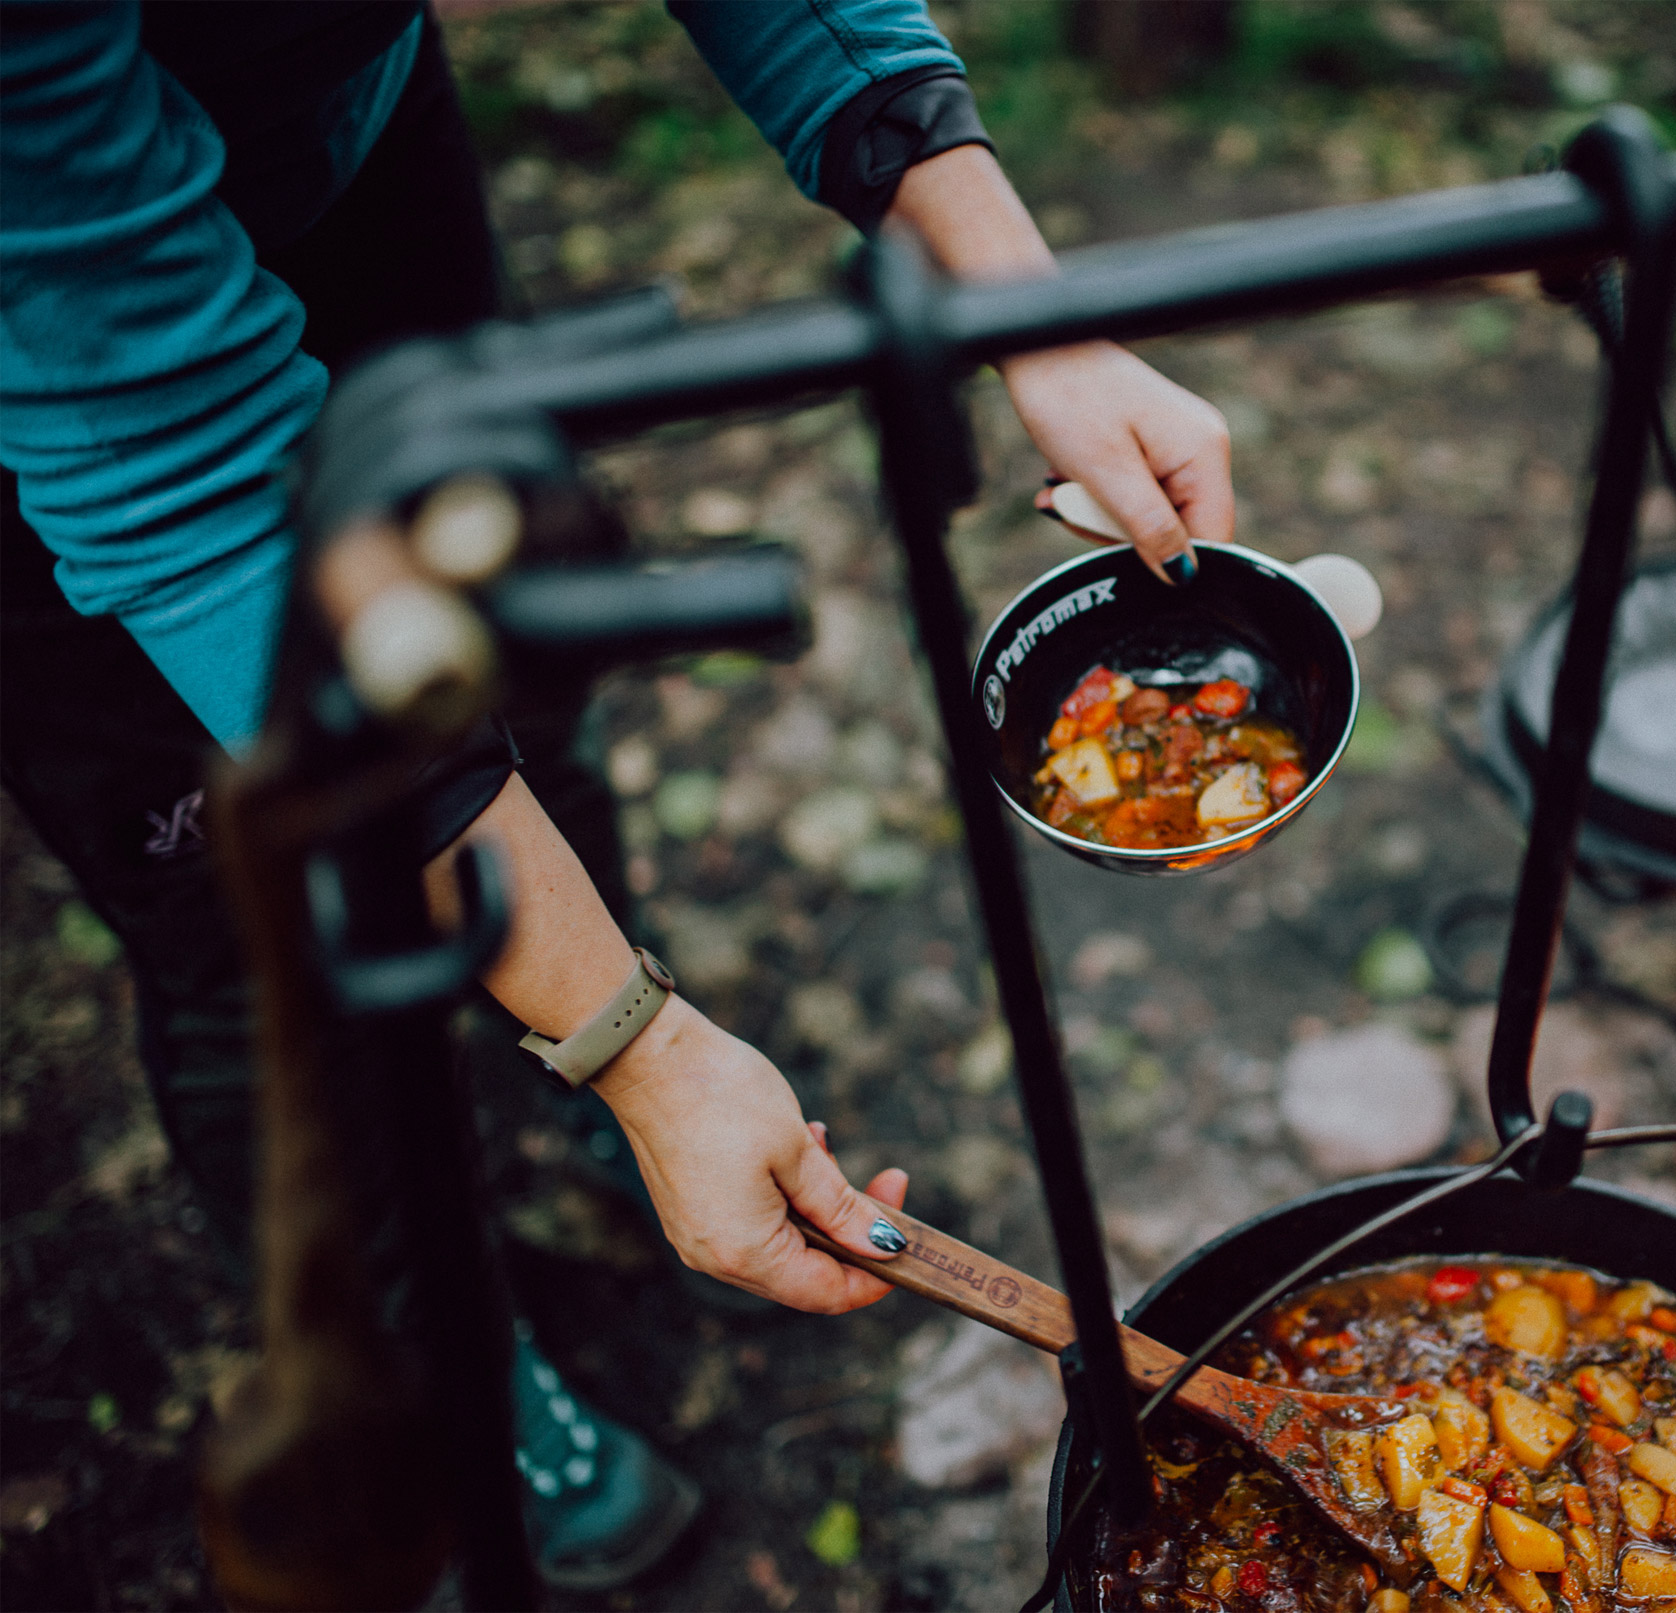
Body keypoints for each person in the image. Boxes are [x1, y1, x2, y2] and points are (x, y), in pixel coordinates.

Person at [0, 0, 1234, 1589]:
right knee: (265, 921)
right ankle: (432, 1351)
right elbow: (178, 467)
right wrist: (638, 1045)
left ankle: (571, 1077)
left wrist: (1032, 311)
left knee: (518, 689)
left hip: (349, 144)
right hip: (57, 348)